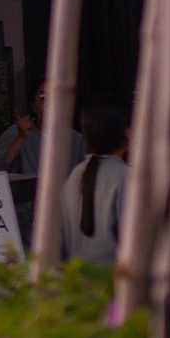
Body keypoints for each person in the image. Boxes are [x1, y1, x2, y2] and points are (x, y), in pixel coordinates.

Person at [59, 100, 129, 265]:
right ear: (128, 133)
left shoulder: (74, 176)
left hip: (76, 277)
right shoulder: (127, 177)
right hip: (113, 278)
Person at [0, 85, 45, 177]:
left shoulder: (73, 138)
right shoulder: (16, 132)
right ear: (33, 106)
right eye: (43, 98)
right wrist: (21, 138)